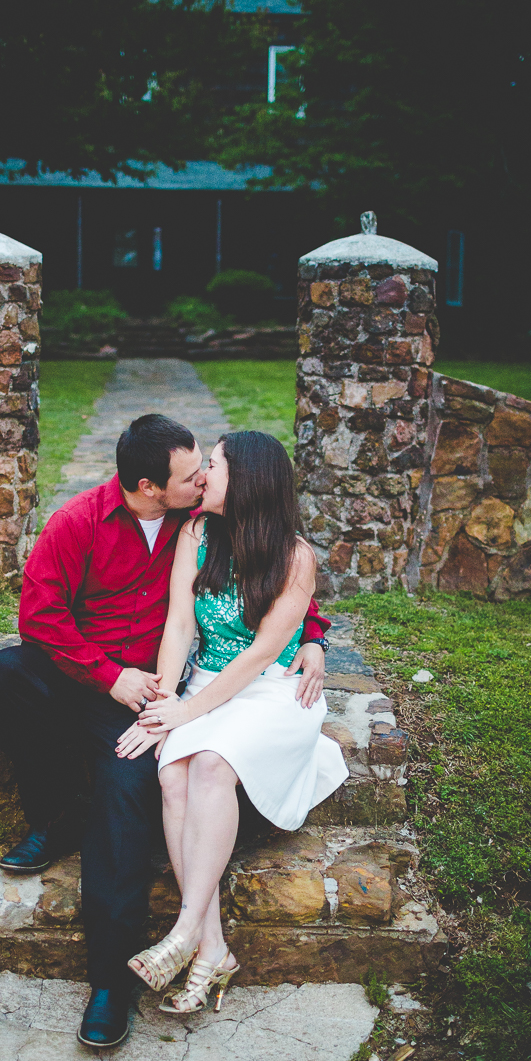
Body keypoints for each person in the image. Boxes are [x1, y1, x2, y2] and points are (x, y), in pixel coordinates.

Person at [0, 414, 332, 1049]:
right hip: (92, 674)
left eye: (207, 466)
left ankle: (112, 980)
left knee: (127, 791)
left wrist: (312, 638)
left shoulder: (200, 521)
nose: (201, 478)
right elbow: (40, 616)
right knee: (3, 675)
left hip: (151, 690)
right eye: (190, 473)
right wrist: (109, 675)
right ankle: (54, 814)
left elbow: (274, 577)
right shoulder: (81, 521)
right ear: (148, 486)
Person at [118, 431, 348, 1012]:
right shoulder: (197, 533)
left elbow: (261, 654)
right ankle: (211, 947)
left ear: (245, 481)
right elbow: (179, 626)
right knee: (174, 775)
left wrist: (188, 714)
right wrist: (163, 706)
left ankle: (185, 929)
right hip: (202, 685)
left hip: (270, 694)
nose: (203, 476)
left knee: (214, 766)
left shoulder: (296, 558)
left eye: (213, 466)